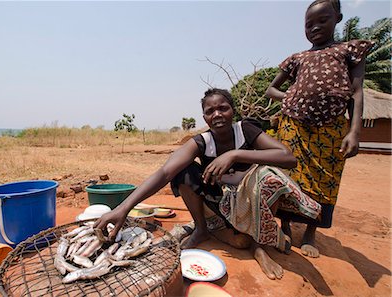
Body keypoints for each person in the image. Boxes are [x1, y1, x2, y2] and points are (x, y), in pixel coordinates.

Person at [95, 88, 321, 280]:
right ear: (204, 118)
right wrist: (123, 208)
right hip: (219, 204)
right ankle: (202, 228)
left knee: (267, 176)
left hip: (252, 204)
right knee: (182, 171)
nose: (217, 114)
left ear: (233, 110)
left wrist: (234, 155)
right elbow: (164, 172)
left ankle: (259, 246)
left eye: (223, 108)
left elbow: (287, 157)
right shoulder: (202, 141)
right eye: (210, 111)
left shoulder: (245, 130)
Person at [265, 0, 373, 258]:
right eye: (309, 24)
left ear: (338, 18)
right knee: (289, 177)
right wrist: (290, 97)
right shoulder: (297, 58)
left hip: (331, 127)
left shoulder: (349, 51)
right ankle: (287, 225)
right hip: (293, 125)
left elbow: (357, 93)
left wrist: (355, 131)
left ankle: (311, 230)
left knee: (325, 179)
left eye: (322, 21)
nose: (314, 27)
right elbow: (271, 89)